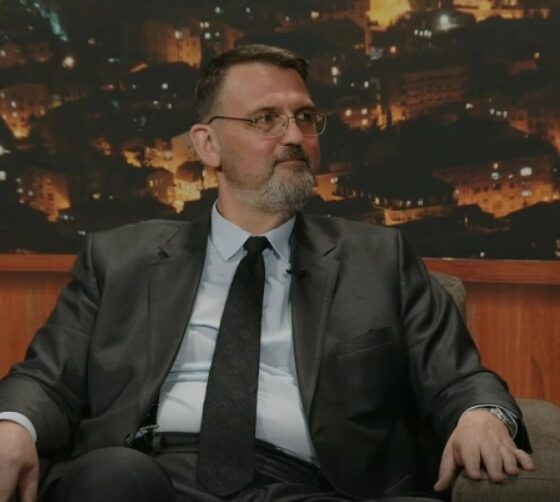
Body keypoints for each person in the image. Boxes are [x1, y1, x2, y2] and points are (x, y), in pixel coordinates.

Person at [0, 44, 534, 502]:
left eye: (306, 117)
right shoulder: (119, 258)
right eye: (265, 119)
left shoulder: (380, 258)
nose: (294, 135)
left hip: (311, 484)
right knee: (111, 477)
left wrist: (482, 415)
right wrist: (13, 425)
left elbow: (458, 378)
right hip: (148, 474)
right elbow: (45, 378)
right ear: (208, 145)